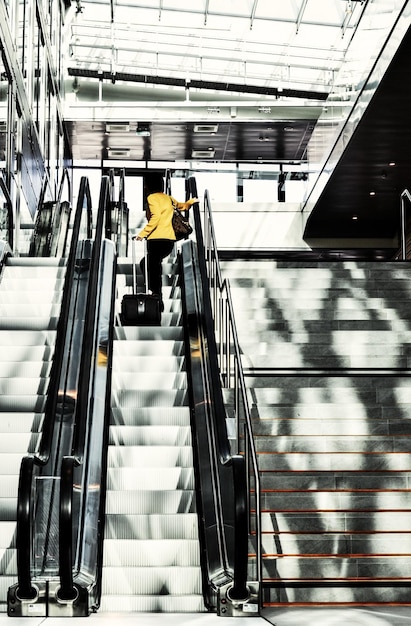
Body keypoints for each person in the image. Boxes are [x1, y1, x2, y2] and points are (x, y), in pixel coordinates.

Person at [134, 174, 198, 311]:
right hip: (169, 241)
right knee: (151, 263)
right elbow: (181, 206)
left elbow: (155, 217)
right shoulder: (168, 198)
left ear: (148, 186)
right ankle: (156, 294)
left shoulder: (151, 198)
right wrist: (190, 202)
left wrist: (142, 234)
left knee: (150, 265)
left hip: (156, 239)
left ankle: (157, 296)